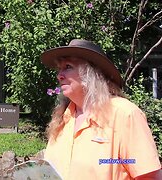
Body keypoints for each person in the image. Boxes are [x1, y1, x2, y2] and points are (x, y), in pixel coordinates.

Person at [41, 39, 162, 179]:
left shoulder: (124, 114)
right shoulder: (62, 119)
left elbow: (150, 177)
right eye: (59, 69)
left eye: (68, 67)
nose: (59, 75)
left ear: (91, 73)